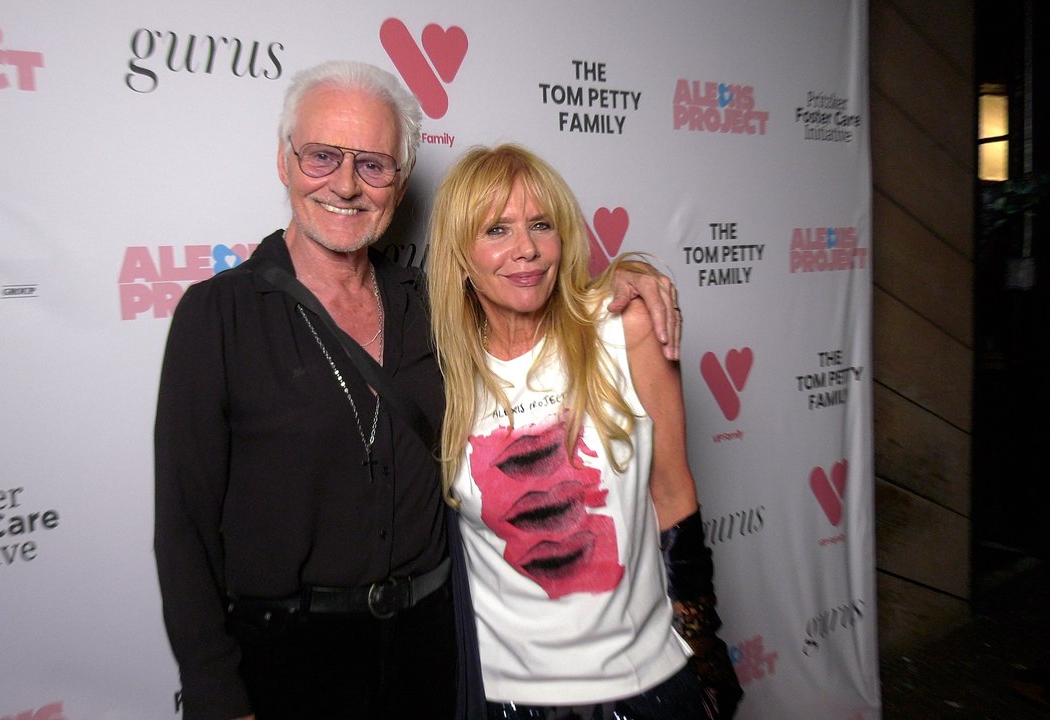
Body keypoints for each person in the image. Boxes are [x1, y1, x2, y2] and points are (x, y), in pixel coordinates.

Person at [153, 61, 682, 720]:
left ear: (400, 185)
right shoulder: (216, 316)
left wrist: (633, 274)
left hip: (433, 650)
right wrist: (216, 696)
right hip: (288, 662)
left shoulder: (432, 305)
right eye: (322, 157)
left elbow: (541, 304)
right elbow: (183, 532)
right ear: (284, 163)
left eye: (373, 164)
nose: (346, 185)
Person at [426, 144, 742, 720]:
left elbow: (674, 498)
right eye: (496, 229)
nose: (526, 249)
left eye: (541, 225)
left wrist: (705, 649)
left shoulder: (626, 330)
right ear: (459, 256)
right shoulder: (438, 374)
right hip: (505, 697)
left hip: (645, 683)